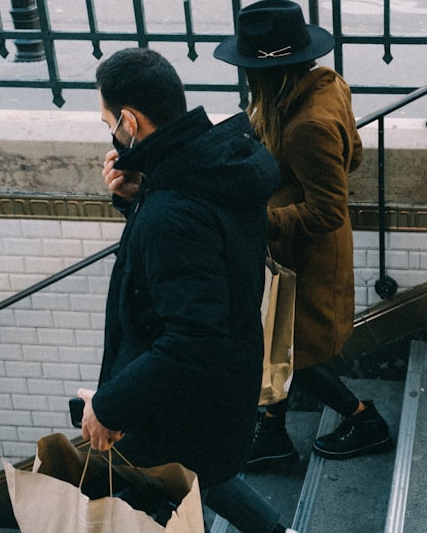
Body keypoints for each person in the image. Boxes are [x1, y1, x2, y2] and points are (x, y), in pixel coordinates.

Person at [79, 47, 294, 533]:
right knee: (204, 476)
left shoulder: (174, 208)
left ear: (130, 122)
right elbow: (200, 250)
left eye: (110, 122)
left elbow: (194, 337)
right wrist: (136, 199)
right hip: (219, 385)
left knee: (185, 476)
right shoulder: (212, 168)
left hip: (183, 400)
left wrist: (108, 404)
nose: (111, 133)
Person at [213, 0, 393, 470]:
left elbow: (328, 208)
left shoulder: (306, 125)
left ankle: (364, 420)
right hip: (292, 256)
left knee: (298, 354)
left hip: (308, 259)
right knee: (279, 343)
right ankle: (272, 434)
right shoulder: (321, 87)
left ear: (267, 73)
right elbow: (350, 154)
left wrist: (263, 220)